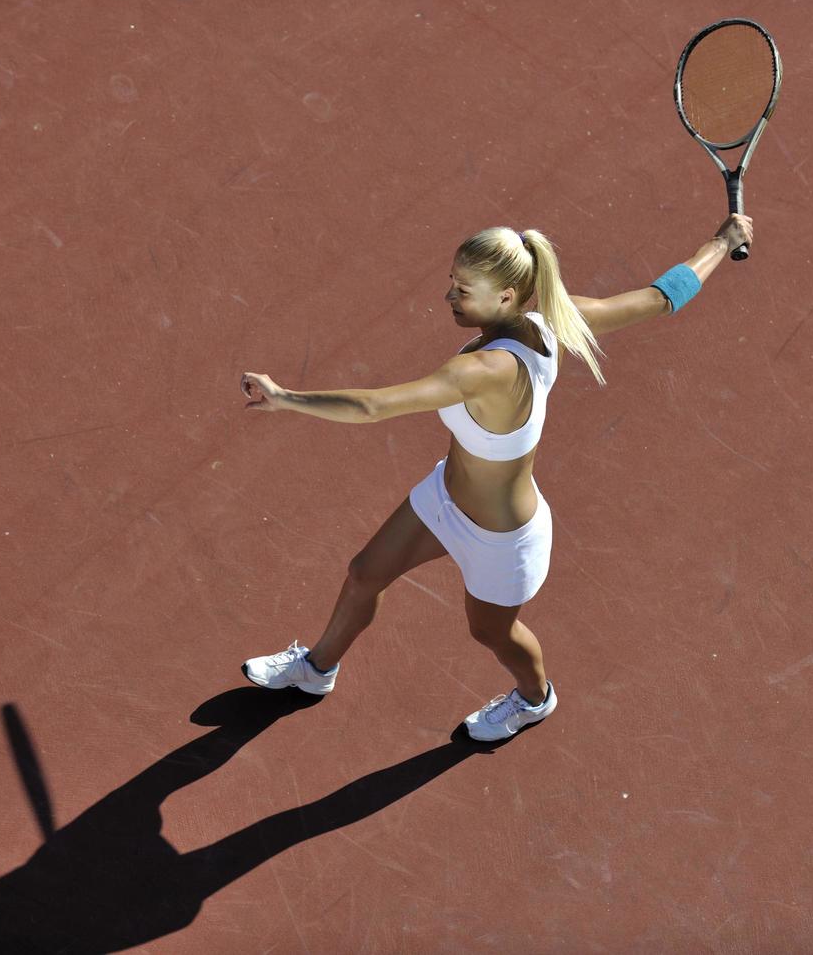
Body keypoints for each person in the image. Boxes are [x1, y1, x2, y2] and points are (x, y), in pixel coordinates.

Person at [240, 214, 754, 740]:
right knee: (364, 574)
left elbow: (373, 408)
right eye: (452, 282)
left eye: (463, 290)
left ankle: (535, 700)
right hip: (445, 498)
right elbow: (659, 298)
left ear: (507, 297)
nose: (449, 298)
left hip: (504, 539)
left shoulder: (484, 371)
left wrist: (285, 399)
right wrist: (721, 242)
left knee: (491, 632)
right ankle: (318, 669)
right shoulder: (554, 320)